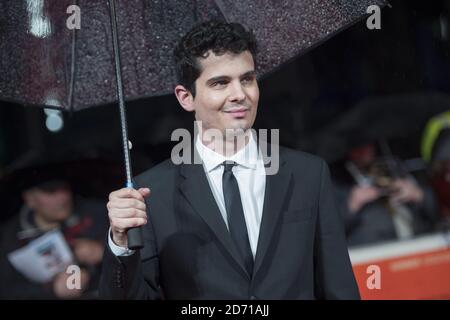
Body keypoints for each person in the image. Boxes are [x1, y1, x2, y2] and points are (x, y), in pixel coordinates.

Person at [99, 20, 359, 299]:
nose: (240, 95)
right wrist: (120, 244)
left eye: (247, 79)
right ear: (186, 98)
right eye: (220, 83)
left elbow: (339, 288)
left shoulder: (308, 174)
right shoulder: (149, 195)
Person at [0, 172, 108, 299]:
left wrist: (105, 250)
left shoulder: (96, 213)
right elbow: (7, 289)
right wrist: (53, 290)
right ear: (30, 199)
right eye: (51, 192)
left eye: (65, 189)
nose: (63, 198)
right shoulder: (8, 237)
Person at [335, 143, 439, 247]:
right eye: (357, 146)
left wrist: (418, 194)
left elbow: (438, 210)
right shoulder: (336, 180)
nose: (363, 150)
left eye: (367, 144)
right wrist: (351, 205)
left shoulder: (394, 165)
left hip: (418, 247)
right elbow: (329, 230)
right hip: (373, 255)